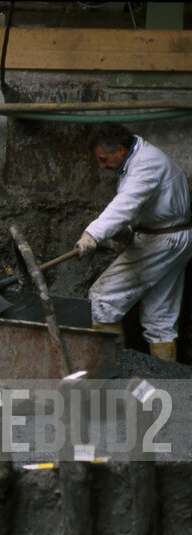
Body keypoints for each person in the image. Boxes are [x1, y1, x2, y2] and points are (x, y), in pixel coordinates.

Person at [76, 123, 192, 361]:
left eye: (103, 159)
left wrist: (93, 234)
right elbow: (143, 205)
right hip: (171, 237)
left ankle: (113, 371)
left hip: (162, 241)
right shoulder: (139, 157)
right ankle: (164, 383)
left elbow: (126, 204)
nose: (101, 166)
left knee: (101, 299)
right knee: (160, 318)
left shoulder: (146, 165)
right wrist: (126, 232)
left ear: (120, 150)